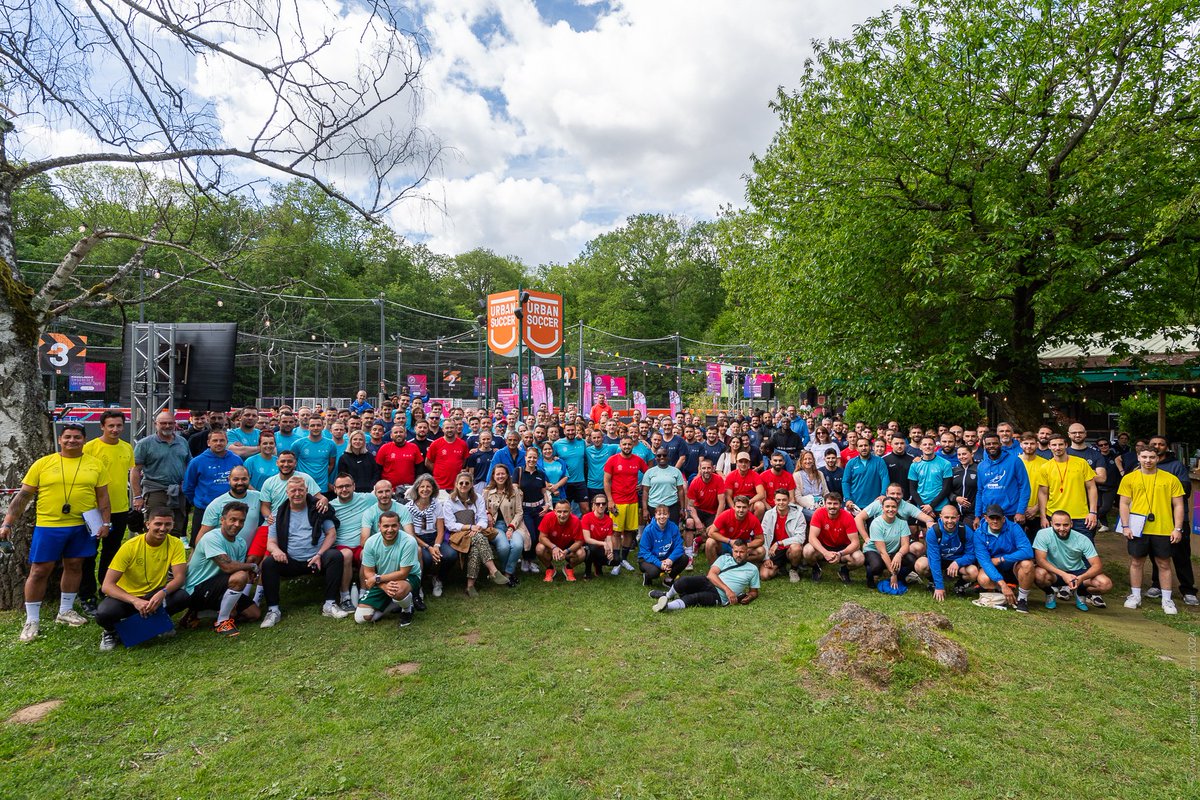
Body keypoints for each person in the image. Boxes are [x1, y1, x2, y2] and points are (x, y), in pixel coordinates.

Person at [3, 424, 112, 642]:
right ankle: (32, 620)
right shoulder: (43, 464)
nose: (72, 441)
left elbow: (103, 497)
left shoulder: (95, 464)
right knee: (40, 570)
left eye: (77, 437)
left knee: (74, 566)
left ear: (84, 440)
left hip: (82, 526)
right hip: (49, 526)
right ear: (60, 440)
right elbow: (22, 497)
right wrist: (7, 523)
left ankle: (65, 611)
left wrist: (106, 524)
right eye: (68, 437)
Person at [95, 507, 190, 650]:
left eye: (167, 524)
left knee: (182, 597)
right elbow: (107, 586)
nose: (163, 528)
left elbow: (179, 578)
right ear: (147, 524)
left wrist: (162, 593)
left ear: (173, 525)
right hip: (127, 597)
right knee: (104, 614)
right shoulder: (130, 546)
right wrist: (135, 601)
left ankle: (158, 622)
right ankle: (110, 632)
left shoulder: (175, 544)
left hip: (153, 595)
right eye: (158, 524)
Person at [259, 476, 347, 627]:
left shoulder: (318, 509)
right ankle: (273, 610)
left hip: (316, 559)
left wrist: (319, 554)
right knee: (268, 563)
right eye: (293, 490)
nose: (297, 493)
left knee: (335, 556)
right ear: (287, 493)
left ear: (307, 491)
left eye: (301, 490)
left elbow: (331, 534)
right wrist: (276, 551)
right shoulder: (278, 514)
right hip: (290, 560)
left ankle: (330, 603)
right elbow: (271, 543)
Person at [79, 410, 135, 617]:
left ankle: (107, 588)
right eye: (110, 426)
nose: (115, 429)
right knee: (89, 554)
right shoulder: (90, 447)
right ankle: (86, 595)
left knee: (112, 552)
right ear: (102, 426)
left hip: (119, 509)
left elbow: (129, 474)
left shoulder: (127, 447)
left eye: (119, 425)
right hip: (92, 510)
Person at [1119, 445, 1185, 615]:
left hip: (1163, 528)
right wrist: (1125, 526)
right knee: (1136, 561)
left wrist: (1177, 528)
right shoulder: (1129, 478)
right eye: (1144, 457)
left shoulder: (1170, 479)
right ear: (1138, 458)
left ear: (1158, 458)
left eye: (1152, 457)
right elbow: (1124, 503)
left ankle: (1167, 599)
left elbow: (1178, 505)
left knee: (1164, 563)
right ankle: (1135, 595)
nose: (1148, 461)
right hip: (1137, 527)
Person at [183, 501, 260, 637]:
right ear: (222, 520)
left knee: (254, 614)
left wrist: (234, 603)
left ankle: (201, 613)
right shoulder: (212, 537)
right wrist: (252, 566)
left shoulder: (240, 543)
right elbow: (228, 566)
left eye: (241, 521)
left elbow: (236, 570)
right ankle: (222, 622)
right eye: (233, 520)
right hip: (196, 590)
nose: (237, 525)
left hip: (221, 587)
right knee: (241, 576)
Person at [1146, 435, 1197, 606]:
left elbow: (1185, 490)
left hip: (1177, 519)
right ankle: (1157, 584)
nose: (1158, 446)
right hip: (1154, 519)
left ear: (1166, 447)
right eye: (1154, 444)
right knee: (1157, 554)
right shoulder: (1143, 466)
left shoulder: (1176, 466)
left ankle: (1188, 590)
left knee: (1181, 555)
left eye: (1161, 444)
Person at [444, 471, 512, 596]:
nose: (464, 485)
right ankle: (493, 570)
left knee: (475, 549)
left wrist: (478, 527)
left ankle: (470, 586)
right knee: (479, 537)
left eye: (467, 483)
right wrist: (470, 527)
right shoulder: (450, 501)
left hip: (476, 531)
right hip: (458, 534)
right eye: (461, 483)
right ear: (456, 485)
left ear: (471, 485)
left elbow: (482, 518)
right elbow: (450, 524)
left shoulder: (478, 498)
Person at [650, 537, 760, 612]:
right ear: (732, 551)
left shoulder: (752, 569)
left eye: (741, 552)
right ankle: (667, 596)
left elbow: (754, 592)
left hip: (720, 597)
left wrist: (749, 597)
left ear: (747, 552)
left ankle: (666, 607)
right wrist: (728, 590)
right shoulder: (724, 558)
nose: (738, 555)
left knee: (695, 598)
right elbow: (711, 575)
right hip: (710, 583)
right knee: (683, 581)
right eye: (736, 551)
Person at [1033, 510, 1113, 612]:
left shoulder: (1082, 539)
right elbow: (1040, 561)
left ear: (1071, 524)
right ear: (1051, 523)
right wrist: (1063, 574)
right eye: (1057, 525)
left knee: (1105, 584)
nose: (1061, 528)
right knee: (1038, 574)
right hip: (1054, 573)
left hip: (1078, 572)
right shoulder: (1042, 534)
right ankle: (1050, 593)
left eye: (1065, 525)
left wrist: (1081, 578)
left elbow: (1097, 566)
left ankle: (1081, 592)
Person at [355, 510, 419, 628]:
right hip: (382, 580)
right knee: (361, 618)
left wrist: (377, 579)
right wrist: (383, 586)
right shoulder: (371, 542)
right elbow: (368, 572)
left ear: (399, 526)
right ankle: (394, 604)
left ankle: (407, 608)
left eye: (394, 525)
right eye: (386, 526)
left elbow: (403, 573)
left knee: (397, 590)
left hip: (408, 577)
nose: (390, 530)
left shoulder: (409, 541)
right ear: (379, 526)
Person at [131, 410, 191, 534]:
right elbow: (135, 470)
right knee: (155, 527)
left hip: (178, 492)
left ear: (175, 424)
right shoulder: (145, 444)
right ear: (155, 424)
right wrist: (137, 496)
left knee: (175, 528)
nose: (167, 426)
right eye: (163, 423)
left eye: (170, 423)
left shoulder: (182, 442)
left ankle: (171, 552)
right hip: (155, 492)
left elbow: (189, 465)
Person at [974, 503, 1036, 613]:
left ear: (1004, 519)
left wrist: (1002, 559)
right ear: (986, 518)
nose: (995, 521)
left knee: (1027, 564)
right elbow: (985, 562)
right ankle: (1003, 590)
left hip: (1013, 567)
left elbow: (1027, 551)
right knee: (983, 579)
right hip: (994, 569)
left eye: (998, 518)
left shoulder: (1014, 528)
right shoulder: (979, 534)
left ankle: (1022, 599)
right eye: (992, 518)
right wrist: (1003, 585)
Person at [1036, 433, 1099, 542]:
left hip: (1080, 516)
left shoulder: (1081, 463)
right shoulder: (1045, 467)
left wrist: (1093, 512)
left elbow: (1091, 488)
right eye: (1054, 445)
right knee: (1056, 551)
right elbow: (1043, 493)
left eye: (1060, 444)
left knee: (1085, 551)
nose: (1057, 448)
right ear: (1049, 446)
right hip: (1054, 515)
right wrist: (1043, 516)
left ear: (1066, 445)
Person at [604, 435, 648, 575]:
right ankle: (616, 561)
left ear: (632, 446)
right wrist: (610, 500)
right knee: (616, 532)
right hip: (617, 502)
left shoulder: (638, 460)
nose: (627, 447)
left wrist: (642, 485)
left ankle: (623, 559)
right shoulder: (613, 460)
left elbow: (648, 473)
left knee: (630, 531)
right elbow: (606, 481)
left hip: (633, 501)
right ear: (620, 445)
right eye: (624, 444)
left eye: (629, 444)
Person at [916, 504, 978, 601]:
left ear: (958, 518)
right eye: (946, 517)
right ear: (941, 517)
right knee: (920, 565)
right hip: (940, 559)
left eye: (953, 517)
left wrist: (958, 562)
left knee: (973, 572)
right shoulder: (933, 532)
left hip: (957, 560)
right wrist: (939, 586)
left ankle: (959, 585)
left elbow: (971, 554)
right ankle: (933, 582)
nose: (950, 521)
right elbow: (934, 559)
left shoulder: (965, 530)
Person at [194, 465, 261, 547]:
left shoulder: (258, 497)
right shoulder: (217, 504)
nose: (240, 483)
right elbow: (204, 533)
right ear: (228, 480)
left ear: (249, 479)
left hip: (249, 553)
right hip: (223, 552)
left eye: (244, 479)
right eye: (235, 479)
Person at [973, 433, 1031, 526]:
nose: (991, 446)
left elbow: (1024, 487)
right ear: (984, 446)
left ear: (1000, 444)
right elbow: (980, 491)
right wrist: (977, 515)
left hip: (1010, 513)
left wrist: (1020, 511)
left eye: (994, 443)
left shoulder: (1015, 461)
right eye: (988, 444)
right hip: (988, 514)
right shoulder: (981, 466)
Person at [483, 463, 527, 582]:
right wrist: (487, 513)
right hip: (496, 526)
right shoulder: (487, 491)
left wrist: (511, 527)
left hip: (513, 524)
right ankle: (505, 570)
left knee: (517, 545)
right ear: (493, 476)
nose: (500, 476)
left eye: (503, 474)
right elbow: (481, 508)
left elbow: (519, 512)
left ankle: (507, 573)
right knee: (504, 547)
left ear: (508, 475)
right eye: (498, 474)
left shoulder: (515, 490)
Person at [863, 497, 916, 590]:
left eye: (893, 507)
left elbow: (905, 545)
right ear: (882, 508)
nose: (890, 509)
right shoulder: (876, 523)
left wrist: (899, 555)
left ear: (897, 508)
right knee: (876, 566)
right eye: (887, 506)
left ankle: (900, 578)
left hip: (893, 552)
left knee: (911, 560)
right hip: (875, 552)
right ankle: (870, 573)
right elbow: (882, 552)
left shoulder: (902, 523)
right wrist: (893, 573)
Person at [760, 488, 807, 582]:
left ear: (789, 500)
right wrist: (766, 558)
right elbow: (763, 537)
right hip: (774, 551)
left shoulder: (798, 515)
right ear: (774, 501)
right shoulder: (768, 514)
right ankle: (780, 567)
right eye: (778, 500)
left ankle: (793, 569)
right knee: (764, 575)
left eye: (784, 500)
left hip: (790, 548)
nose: (781, 502)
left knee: (796, 548)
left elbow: (801, 538)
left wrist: (779, 543)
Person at [536, 498, 586, 582]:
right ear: (555, 511)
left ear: (571, 511)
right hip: (551, 547)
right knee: (539, 549)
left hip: (568, 548)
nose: (562, 515)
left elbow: (579, 541)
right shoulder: (548, 517)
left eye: (565, 511)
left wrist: (567, 551)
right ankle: (550, 568)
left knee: (581, 553)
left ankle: (568, 568)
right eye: (559, 512)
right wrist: (554, 547)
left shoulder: (576, 521)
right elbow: (541, 537)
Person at [705, 495, 764, 564]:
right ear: (734, 507)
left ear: (748, 508)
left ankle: (738, 564)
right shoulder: (725, 514)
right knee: (709, 542)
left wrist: (746, 545)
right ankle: (715, 568)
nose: (741, 510)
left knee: (761, 551)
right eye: (738, 507)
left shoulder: (753, 519)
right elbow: (711, 533)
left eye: (744, 507)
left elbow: (761, 539)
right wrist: (729, 541)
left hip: (742, 544)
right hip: (725, 543)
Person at [639, 504, 688, 586]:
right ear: (655, 515)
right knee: (654, 572)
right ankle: (647, 576)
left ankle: (668, 579)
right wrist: (659, 564)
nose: (662, 517)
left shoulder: (673, 527)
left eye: (665, 514)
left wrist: (670, 559)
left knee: (684, 558)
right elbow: (645, 552)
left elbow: (679, 546)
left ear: (668, 515)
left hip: (666, 558)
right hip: (648, 559)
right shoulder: (648, 530)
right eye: (659, 514)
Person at [641, 447, 687, 528]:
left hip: (672, 506)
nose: (662, 457)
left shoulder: (676, 471)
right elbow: (645, 492)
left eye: (664, 455)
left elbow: (680, 491)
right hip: (653, 506)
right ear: (656, 458)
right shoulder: (649, 472)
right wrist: (645, 509)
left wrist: (682, 509)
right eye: (659, 455)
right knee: (655, 531)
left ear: (668, 457)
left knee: (672, 530)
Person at [908, 436, 954, 515]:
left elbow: (946, 488)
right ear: (920, 447)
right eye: (925, 444)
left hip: (941, 506)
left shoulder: (946, 464)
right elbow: (912, 489)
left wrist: (931, 506)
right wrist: (923, 507)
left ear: (935, 446)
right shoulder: (914, 465)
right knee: (922, 527)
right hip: (922, 506)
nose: (928, 446)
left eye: (930, 444)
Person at [426, 419, 470, 499]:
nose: (449, 430)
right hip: (440, 485)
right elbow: (428, 462)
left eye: (452, 427)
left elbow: (464, 461)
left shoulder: (462, 444)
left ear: (456, 428)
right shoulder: (435, 444)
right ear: (442, 429)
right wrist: (438, 471)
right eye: (447, 428)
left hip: (457, 486)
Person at [842, 436, 888, 512]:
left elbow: (885, 478)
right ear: (856, 448)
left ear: (870, 447)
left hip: (875, 504)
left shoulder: (879, 461)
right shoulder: (851, 463)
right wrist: (848, 499)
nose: (863, 448)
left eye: (866, 445)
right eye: (860, 446)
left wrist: (883, 494)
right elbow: (845, 482)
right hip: (855, 504)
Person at [376, 423, 423, 494]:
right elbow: (378, 469)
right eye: (395, 432)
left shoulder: (414, 447)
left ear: (405, 434)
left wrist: (416, 485)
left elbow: (419, 469)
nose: (398, 434)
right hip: (389, 490)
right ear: (391, 436)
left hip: (409, 489)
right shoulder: (384, 448)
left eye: (401, 432)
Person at [581, 494, 618, 578]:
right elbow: (587, 539)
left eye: (603, 503)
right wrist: (603, 544)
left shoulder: (609, 520)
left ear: (606, 505)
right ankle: (587, 572)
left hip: (600, 546)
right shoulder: (586, 517)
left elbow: (609, 539)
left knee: (616, 559)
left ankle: (598, 566)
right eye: (598, 504)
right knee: (592, 548)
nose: (601, 506)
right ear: (593, 505)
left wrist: (611, 552)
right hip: (586, 545)